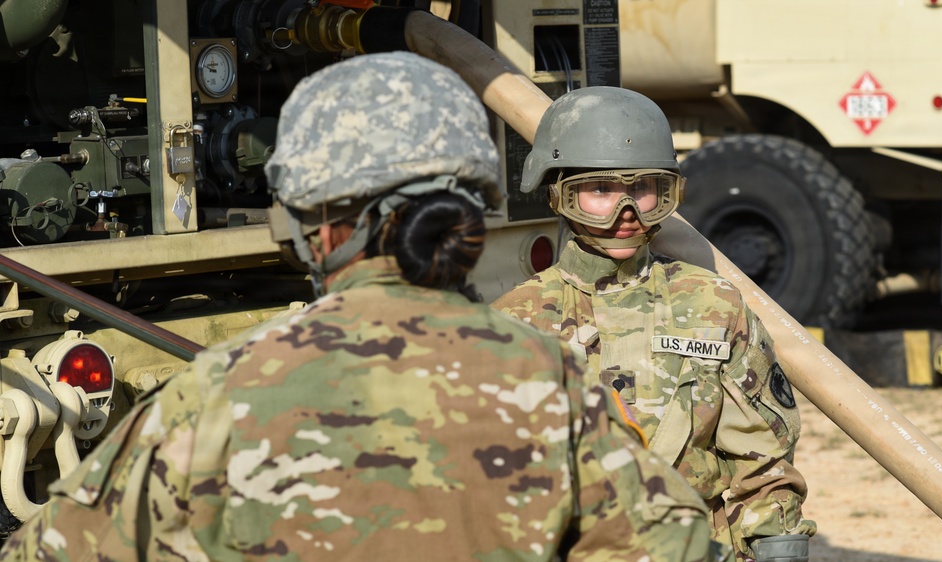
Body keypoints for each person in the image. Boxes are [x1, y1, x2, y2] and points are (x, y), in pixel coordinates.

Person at [0, 53, 723, 561]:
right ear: (469, 211)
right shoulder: (555, 385)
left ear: (312, 224)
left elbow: (56, 549)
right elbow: (674, 546)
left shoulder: (220, 394)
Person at [492, 86, 817, 562]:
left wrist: (779, 548)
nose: (628, 214)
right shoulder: (514, 321)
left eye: (645, 190)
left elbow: (763, 464)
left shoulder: (713, 304)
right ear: (558, 194)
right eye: (601, 190)